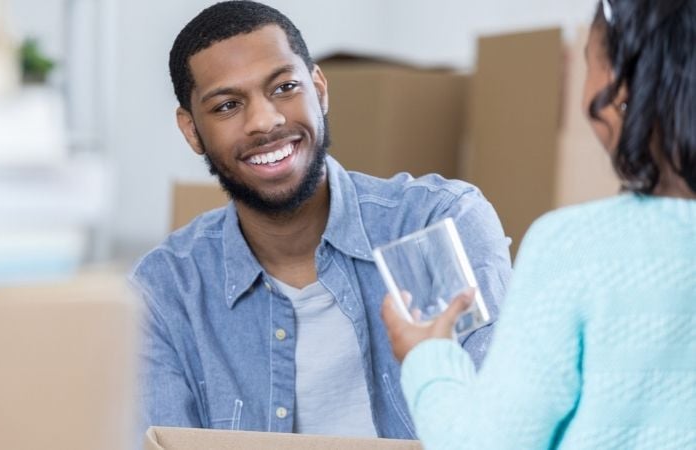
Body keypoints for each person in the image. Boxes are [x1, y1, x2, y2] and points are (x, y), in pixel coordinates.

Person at [132, 0, 512, 438]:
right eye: (226, 106)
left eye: (284, 87)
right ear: (191, 130)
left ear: (320, 89)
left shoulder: (435, 225)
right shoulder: (165, 292)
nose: (265, 121)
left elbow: (496, 431)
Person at [381, 0, 696, 448]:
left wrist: (427, 356)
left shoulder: (575, 245)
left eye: (587, 60)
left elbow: (487, 443)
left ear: (617, 89)